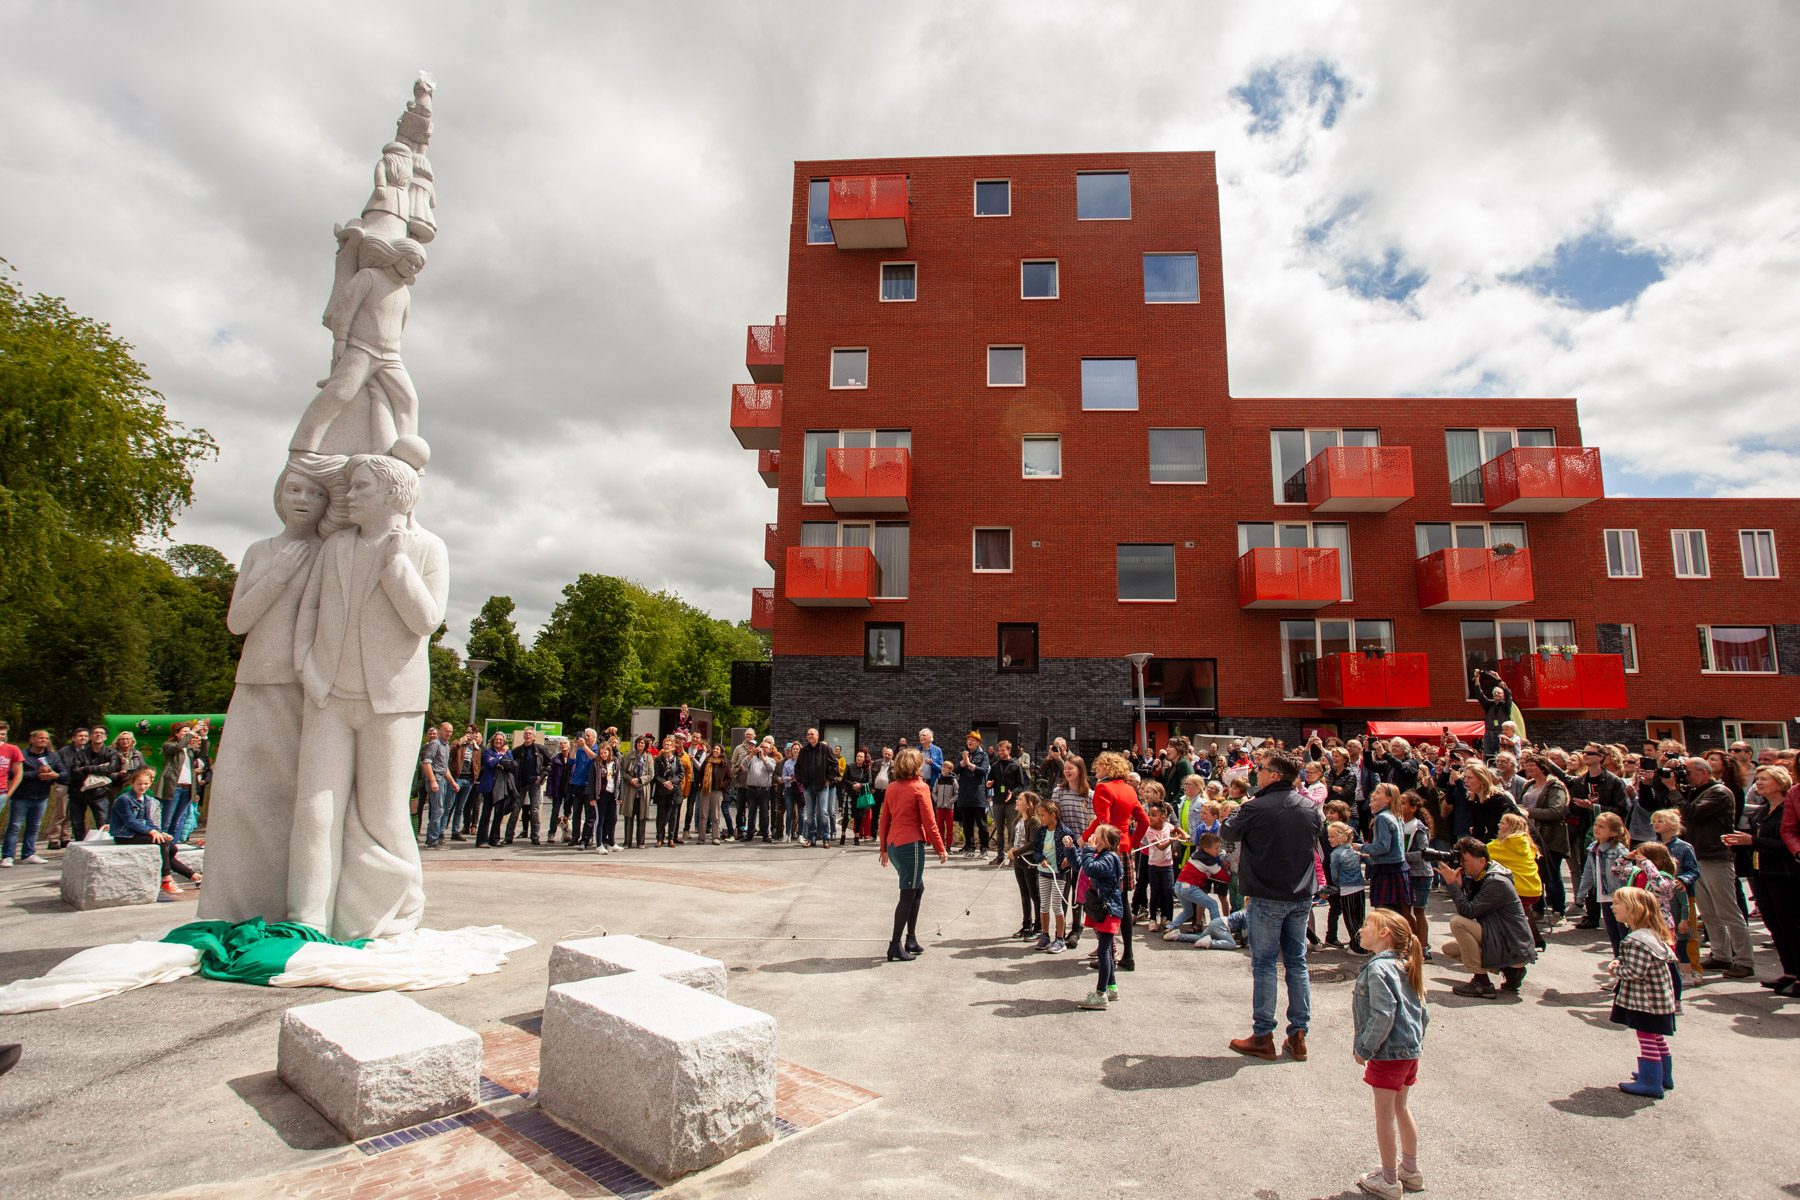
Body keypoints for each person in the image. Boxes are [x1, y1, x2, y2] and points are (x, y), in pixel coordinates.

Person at [1223, 749, 1323, 1060]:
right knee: (1296, 963)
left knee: (1265, 965)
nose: (1257, 772)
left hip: (1268, 894)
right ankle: (1298, 1034)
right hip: (1300, 894)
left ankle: (1263, 1035)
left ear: (1275, 775)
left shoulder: (1256, 806)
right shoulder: (1308, 806)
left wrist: (1241, 809)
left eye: (1262, 768)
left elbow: (1227, 831)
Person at [1349, 908, 1429, 1199]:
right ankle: (1411, 1170)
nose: (1360, 930)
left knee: (1384, 1117)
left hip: (1387, 1053)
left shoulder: (1377, 969)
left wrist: (1365, 1047)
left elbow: (1383, 1014)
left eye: (1366, 925)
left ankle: (1389, 1179)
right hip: (1409, 1052)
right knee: (1401, 1108)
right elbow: (1423, 1012)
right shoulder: (1406, 964)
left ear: (1384, 933)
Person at [1676, 757, 1754, 980]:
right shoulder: (1693, 791)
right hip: (1697, 857)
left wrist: (1673, 790)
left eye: (1688, 772)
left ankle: (1744, 961)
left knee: (1728, 911)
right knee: (1708, 912)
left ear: (1703, 772)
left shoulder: (1720, 792)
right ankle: (1721, 955)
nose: (1685, 776)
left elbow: (1691, 813)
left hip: (1716, 857)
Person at [1433, 836, 1536, 998]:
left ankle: (1482, 983)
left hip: (1512, 944)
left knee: (1458, 923)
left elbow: (1468, 912)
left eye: (1464, 860)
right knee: (1450, 949)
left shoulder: (1496, 882)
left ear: (1481, 861)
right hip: (1501, 937)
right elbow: (1470, 908)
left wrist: (1452, 886)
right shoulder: (1484, 877)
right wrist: (1460, 886)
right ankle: (1509, 970)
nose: (1461, 865)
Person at [1728, 765, 1797, 993]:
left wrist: (1753, 842)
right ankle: (1790, 972)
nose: (1758, 782)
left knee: (1790, 925)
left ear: (1780, 782)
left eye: (1764, 779)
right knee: (1774, 925)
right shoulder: (1762, 810)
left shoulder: (1789, 808)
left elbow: (1789, 844)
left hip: (1785, 874)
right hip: (1762, 873)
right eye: (1758, 779)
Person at [877, 748, 947, 962]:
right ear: (916, 766)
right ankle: (895, 944)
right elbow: (930, 822)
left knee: (917, 889)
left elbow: (884, 820)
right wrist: (941, 847)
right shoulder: (920, 787)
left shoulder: (892, 787)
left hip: (895, 844)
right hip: (910, 845)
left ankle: (911, 939)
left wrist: (883, 848)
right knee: (908, 894)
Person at [1608, 886, 1678, 1099]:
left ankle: (1650, 1081)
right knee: (1656, 1037)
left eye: (1617, 904)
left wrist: (1615, 969)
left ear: (1634, 909)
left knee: (1646, 1037)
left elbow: (1634, 972)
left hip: (1645, 1002)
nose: (1612, 907)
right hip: (1659, 1000)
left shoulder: (1635, 940)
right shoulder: (1652, 935)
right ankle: (1663, 1075)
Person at [1086, 752, 1147, 971]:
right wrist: (1131, 843)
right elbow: (1144, 821)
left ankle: (1108, 954)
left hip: (1108, 847)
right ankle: (1127, 955)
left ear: (1109, 769)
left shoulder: (1103, 788)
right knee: (1123, 901)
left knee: (1104, 901)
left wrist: (1084, 839)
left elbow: (1103, 821)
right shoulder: (1129, 789)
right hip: (1124, 848)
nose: (1096, 769)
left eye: (1100, 766)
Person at [110, 766, 199, 894]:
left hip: (139, 832)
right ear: (132, 783)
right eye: (139, 784)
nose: (143, 787)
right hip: (125, 835)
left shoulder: (146, 799)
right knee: (162, 844)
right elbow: (130, 821)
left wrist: (160, 832)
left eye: (146, 784)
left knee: (171, 848)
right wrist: (151, 832)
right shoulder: (124, 799)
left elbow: (149, 820)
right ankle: (166, 878)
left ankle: (193, 876)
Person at [1074, 823, 1126, 1009]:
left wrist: (1088, 850)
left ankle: (1100, 994)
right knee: (1107, 950)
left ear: (1104, 841)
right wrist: (1071, 850)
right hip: (1105, 909)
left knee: (1104, 951)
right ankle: (1111, 988)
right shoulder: (1103, 856)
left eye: (1095, 834)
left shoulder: (1109, 858)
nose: (1091, 836)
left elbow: (1090, 869)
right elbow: (1082, 866)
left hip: (1108, 910)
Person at [1520, 755, 1570, 923]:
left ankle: (1558, 911)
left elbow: (1556, 811)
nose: (1528, 768)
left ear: (1542, 767)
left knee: (1552, 875)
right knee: (1534, 873)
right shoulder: (1528, 785)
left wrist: (1529, 812)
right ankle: (1537, 909)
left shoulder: (1555, 785)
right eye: (1526, 765)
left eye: (1532, 765)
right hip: (1530, 835)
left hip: (1551, 837)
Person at [2, 731, 64, 867]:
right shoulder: (22, 754)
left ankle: (28, 854)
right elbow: (12, 773)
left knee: (34, 827)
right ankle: (7, 856)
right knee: (14, 826)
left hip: (41, 797)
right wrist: (37, 773)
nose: (44, 740)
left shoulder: (52, 756)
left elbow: (63, 773)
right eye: (41, 738)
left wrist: (55, 775)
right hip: (21, 797)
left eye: (46, 738)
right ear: (32, 739)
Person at [1488, 812, 1545, 949]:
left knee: (1508, 916)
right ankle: (1537, 941)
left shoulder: (1503, 844)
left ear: (1511, 828)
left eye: (1502, 823)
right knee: (1524, 912)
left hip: (1518, 889)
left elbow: (1481, 852)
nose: (1499, 825)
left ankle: (1520, 946)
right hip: (1534, 889)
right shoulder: (1527, 843)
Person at [1139, 800, 1183, 932]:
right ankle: (1153, 919)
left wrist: (1184, 834)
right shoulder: (1149, 830)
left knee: (1168, 892)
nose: (1150, 817)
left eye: (1153, 815)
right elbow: (1161, 846)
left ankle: (1167, 918)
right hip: (1154, 866)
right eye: (1149, 815)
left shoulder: (1167, 826)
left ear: (1163, 818)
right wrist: (1171, 840)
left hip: (1167, 866)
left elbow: (1176, 828)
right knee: (1155, 892)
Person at [1325, 821, 1368, 954]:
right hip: (1359, 887)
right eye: (1329, 836)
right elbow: (1368, 860)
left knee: (1350, 919)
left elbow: (1334, 873)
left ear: (1343, 838)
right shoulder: (1354, 850)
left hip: (1346, 889)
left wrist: (1336, 884)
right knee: (1360, 917)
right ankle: (1364, 944)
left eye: (1332, 836)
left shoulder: (1336, 854)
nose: (1329, 839)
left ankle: (1358, 947)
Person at [155, 723, 203, 839]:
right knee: (166, 820)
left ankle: (173, 845)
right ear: (176, 734)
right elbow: (178, 747)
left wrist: (204, 737)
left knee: (177, 821)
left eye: (188, 732)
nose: (188, 734)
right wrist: (192, 732)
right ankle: (163, 845)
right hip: (174, 787)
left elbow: (203, 753)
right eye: (185, 732)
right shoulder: (169, 745)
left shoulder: (190, 749)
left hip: (187, 788)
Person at [1006, 792, 1043, 939]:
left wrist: (1016, 852)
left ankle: (1039, 925)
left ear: (1029, 805)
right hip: (1019, 861)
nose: (1017, 801)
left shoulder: (1034, 821)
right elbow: (1011, 838)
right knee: (1024, 894)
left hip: (1029, 860)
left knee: (1034, 894)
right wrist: (1010, 850)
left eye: (1020, 799)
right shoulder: (1017, 820)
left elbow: (1032, 843)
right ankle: (1026, 924)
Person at [985, 740, 1028, 866]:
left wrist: (1012, 793)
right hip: (998, 801)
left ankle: (1012, 857)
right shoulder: (995, 766)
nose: (1001, 753)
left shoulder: (1015, 766)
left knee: (1011, 830)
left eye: (1003, 750)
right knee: (999, 831)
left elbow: (1021, 786)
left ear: (1009, 750)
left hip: (1011, 803)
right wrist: (989, 784)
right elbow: (990, 781)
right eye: (999, 751)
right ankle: (999, 856)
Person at [474, 732, 516, 848]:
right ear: (492, 741)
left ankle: (494, 839)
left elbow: (512, 765)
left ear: (504, 742)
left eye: (501, 740)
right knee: (486, 813)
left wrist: (499, 761)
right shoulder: (488, 752)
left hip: (502, 787)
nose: (498, 741)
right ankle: (482, 840)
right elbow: (490, 763)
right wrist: (500, 756)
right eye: (496, 739)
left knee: (499, 814)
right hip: (489, 786)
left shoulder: (508, 752)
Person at [418, 721, 452, 848]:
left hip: (442, 779)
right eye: (446, 731)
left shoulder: (446, 746)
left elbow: (445, 767)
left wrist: (452, 782)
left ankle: (434, 838)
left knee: (441, 810)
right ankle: (432, 840)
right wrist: (433, 781)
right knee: (437, 811)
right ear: (440, 731)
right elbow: (427, 763)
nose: (449, 734)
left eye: (451, 732)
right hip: (436, 778)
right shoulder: (435, 744)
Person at [447, 728, 480, 841]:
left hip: (468, 780)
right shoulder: (458, 743)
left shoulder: (476, 748)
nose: (469, 735)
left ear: (475, 734)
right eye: (467, 732)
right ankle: (440, 832)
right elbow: (449, 753)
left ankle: (455, 831)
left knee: (460, 808)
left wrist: (474, 777)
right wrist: (460, 743)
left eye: (471, 733)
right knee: (448, 807)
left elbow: (477, 763)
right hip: (457, 778)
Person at [1473, 668, 1512, 760]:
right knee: (1489, 757)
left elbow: (1508, 692)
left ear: (1503, 696)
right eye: (1495, 693)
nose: (1496, 694)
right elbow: (1479, 695)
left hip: (1500, 734)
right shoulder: (1489, 705)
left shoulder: (1505, 706)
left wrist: (1498, 679)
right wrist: (1477, 678)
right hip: (1488, 734)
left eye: (1499, 693)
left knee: (1501, 756)